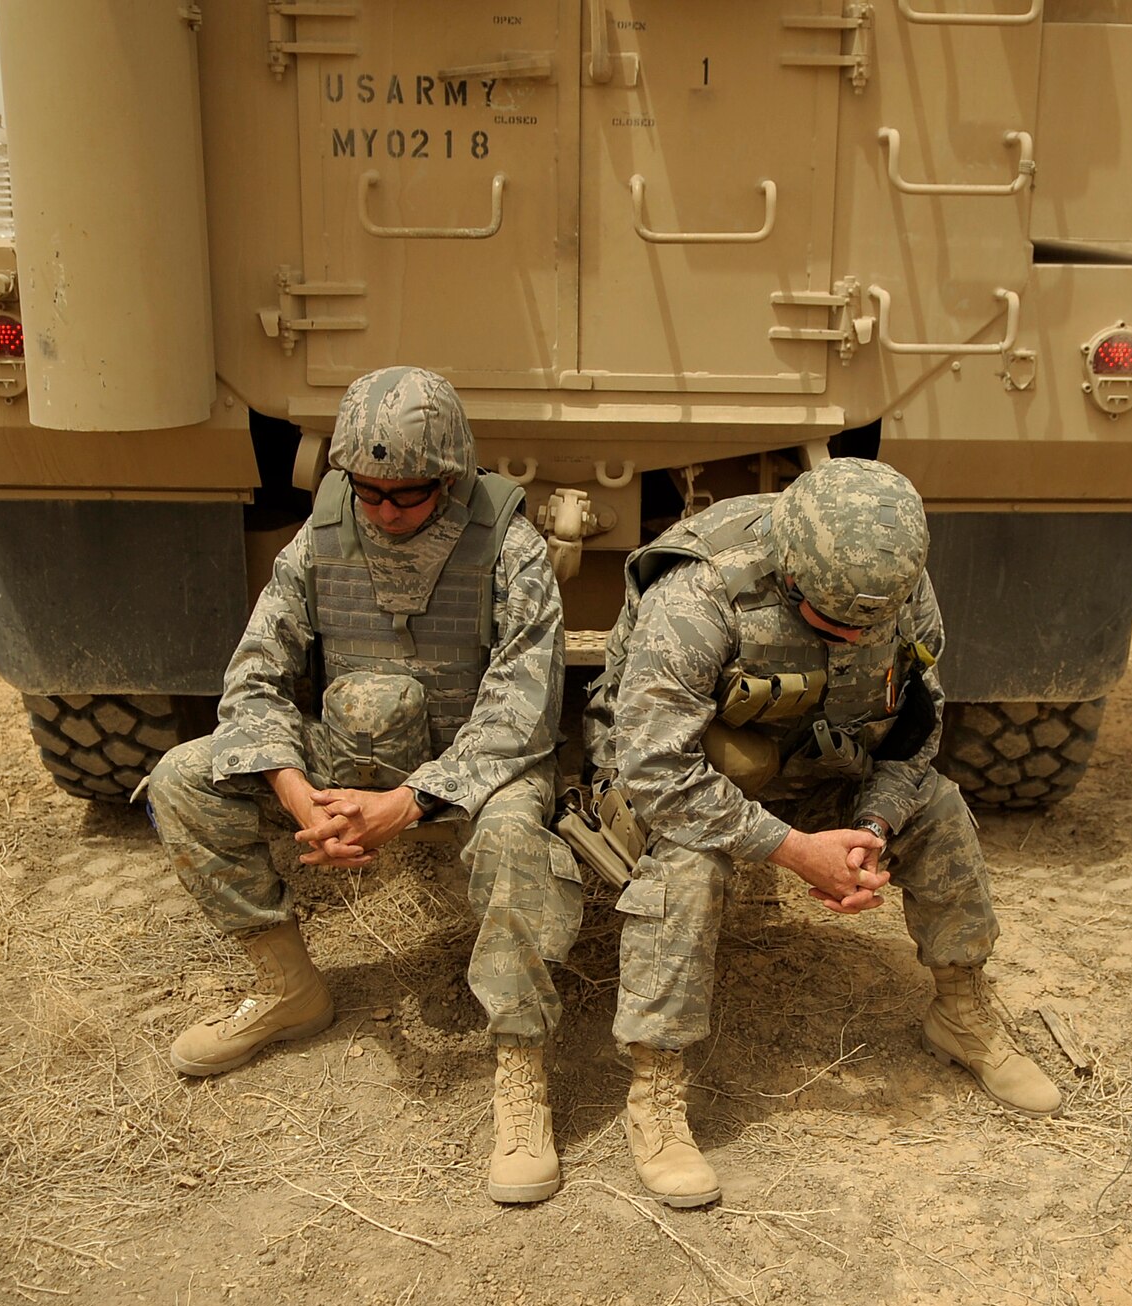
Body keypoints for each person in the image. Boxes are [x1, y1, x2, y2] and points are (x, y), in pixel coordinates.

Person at [144, 365, 580, 1205]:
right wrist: (295, 791)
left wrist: (410, 803)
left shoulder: (513, 552)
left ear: (449, 478)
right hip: (345, 760)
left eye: (408, 495)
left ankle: (521, 1067)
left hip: (470, 770)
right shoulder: (318, 542)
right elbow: (255, 680)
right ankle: (288, 990)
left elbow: (521, 712)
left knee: (522, 838)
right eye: (367, 491)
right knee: (182, 779)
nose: (384, 512)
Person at [578, 456, 1062, 1209]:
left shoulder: (896, 581)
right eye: (831, 622)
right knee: (689, 864)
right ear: (789, 575)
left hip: (820, 764)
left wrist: (871, 826)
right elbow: (655, 771)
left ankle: (960, 1011)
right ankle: (656, 1088)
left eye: (865, 624)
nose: (852, 634)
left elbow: (915, 733)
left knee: (939, 808)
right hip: (688, 784)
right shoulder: (701, 591)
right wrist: (798, 853)